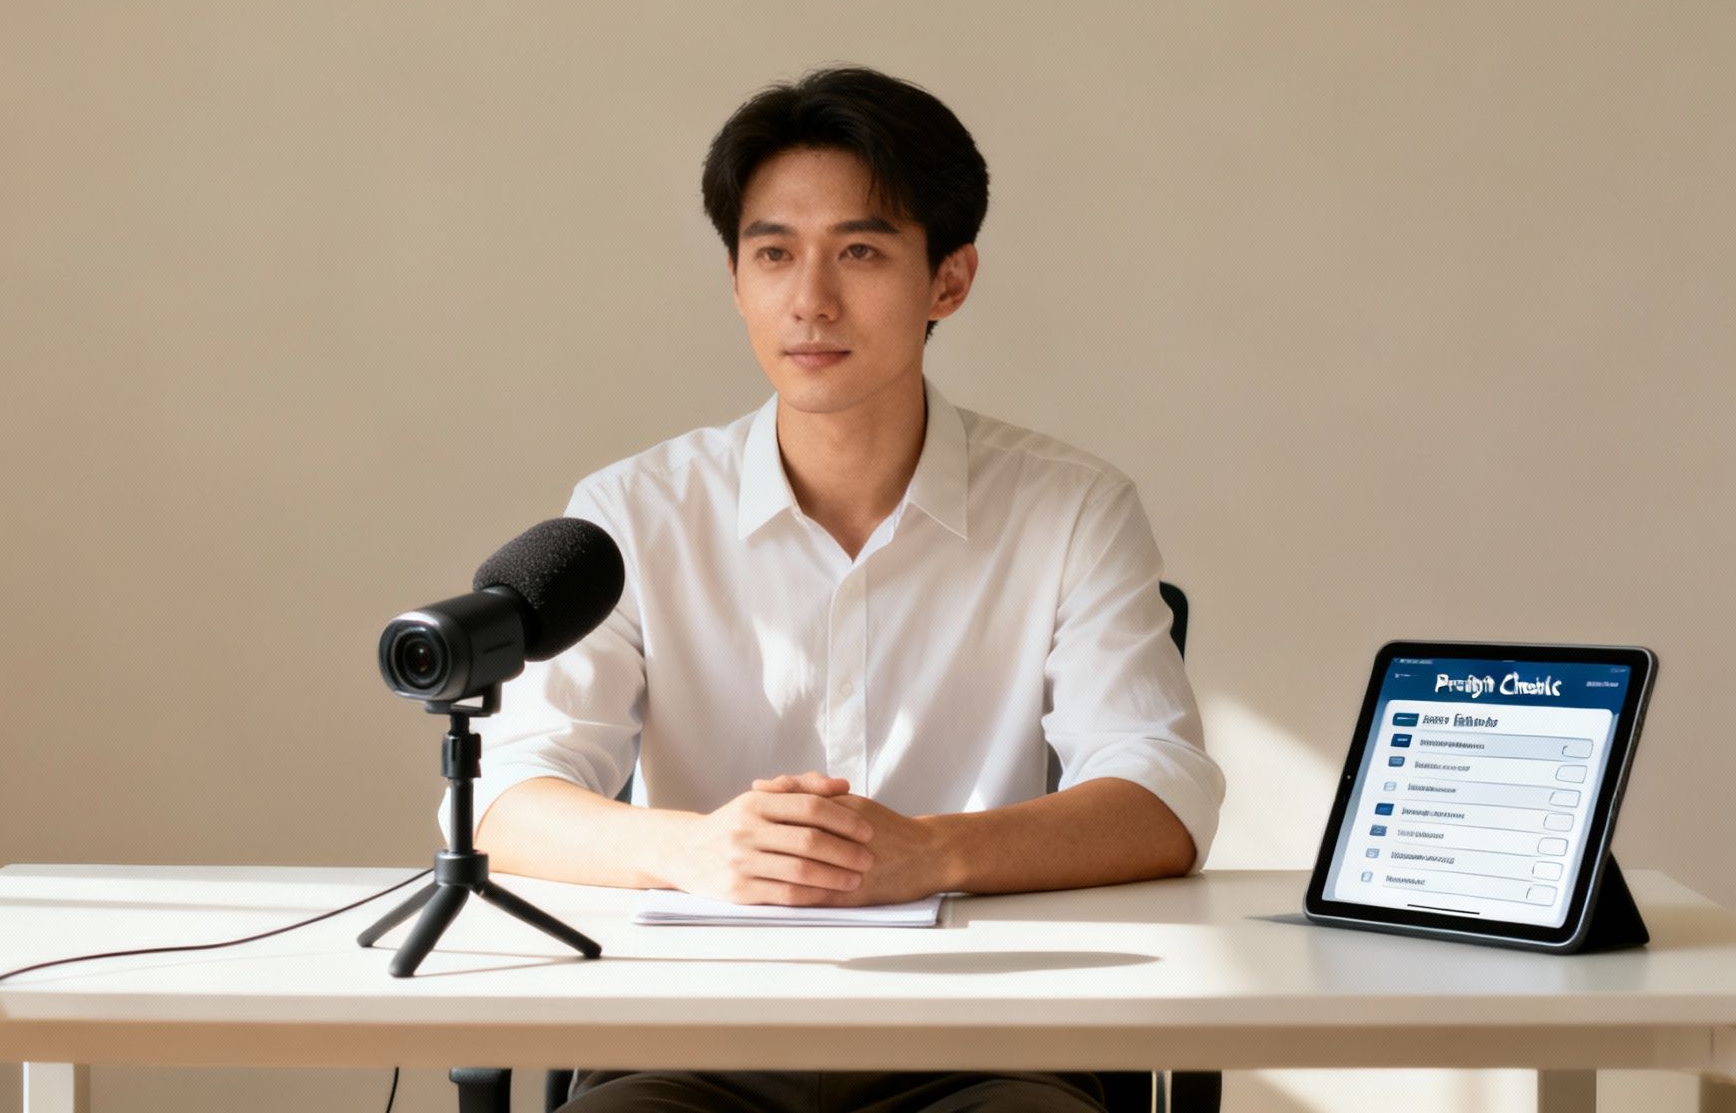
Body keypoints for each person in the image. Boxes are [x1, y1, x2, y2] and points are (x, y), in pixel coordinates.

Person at [454, 65, 1225, 1113]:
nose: (809, 299)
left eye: (858, 252)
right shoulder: (631, 511)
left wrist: (928, 853)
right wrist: (695, 848)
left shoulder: (1070, 509)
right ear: (735, 279)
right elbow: (505, 800)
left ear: (947, 281)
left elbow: (1161, 798)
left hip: (985, 1039)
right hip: (687, 1040)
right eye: (773, 254)